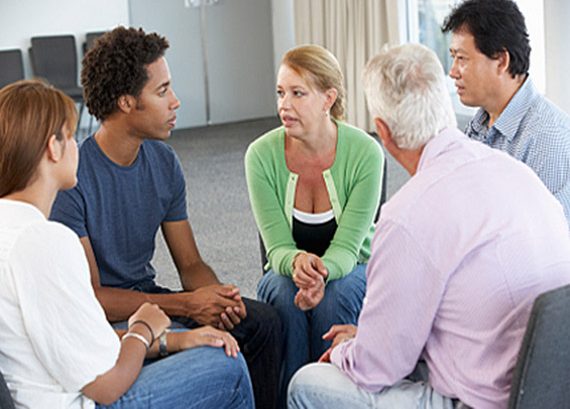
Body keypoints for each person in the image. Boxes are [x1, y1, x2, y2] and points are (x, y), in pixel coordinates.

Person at [287, 43, 570, 409]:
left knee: (307, 384)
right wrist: (369, 339)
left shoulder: (407, 216)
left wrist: (346, 350)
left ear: (383, 132)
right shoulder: (515, 172)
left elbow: (376, 370)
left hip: (481, 400)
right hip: (550, 386)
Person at [49, 26, 280, 409]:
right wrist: (189, 305)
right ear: (126, 102)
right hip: (115, 322)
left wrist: (219, 298)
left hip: (156, 299)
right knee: (217, 354)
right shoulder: (74, 179)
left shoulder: (163, 161)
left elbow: (190, 264)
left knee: (264, 323)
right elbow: (96, 298)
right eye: (162, 91)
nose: (175, 102)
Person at [0, 79, 254, 409]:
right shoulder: (45, 241)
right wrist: (143, 328)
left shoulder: (11, 228)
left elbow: (83, 342)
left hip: (47, 389)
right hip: (79, 401)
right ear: (53, 147)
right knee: (227, 367)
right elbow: (106, 386)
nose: (80, 146)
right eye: (72, 137)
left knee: (205, 347)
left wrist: (176, 341)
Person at [245, 44, 384, 404]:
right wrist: (295, 264)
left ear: (328, 98)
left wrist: (319, 273)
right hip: (288, 268)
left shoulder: (366, 152)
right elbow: (275, 247)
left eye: (297, 93)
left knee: (337, 294)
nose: (283, 105)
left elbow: (349, 248)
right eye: (280, 92)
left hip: (352, 266)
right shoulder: (260, 155)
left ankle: (333, 398)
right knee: (281, 291)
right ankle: (289, 399)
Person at [442, 0, 570, 225]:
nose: (452, 72)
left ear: (501, 60)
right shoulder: (480, 124)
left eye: (461, 58)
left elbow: (546, 244)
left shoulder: (549, 138)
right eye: (453, 57)